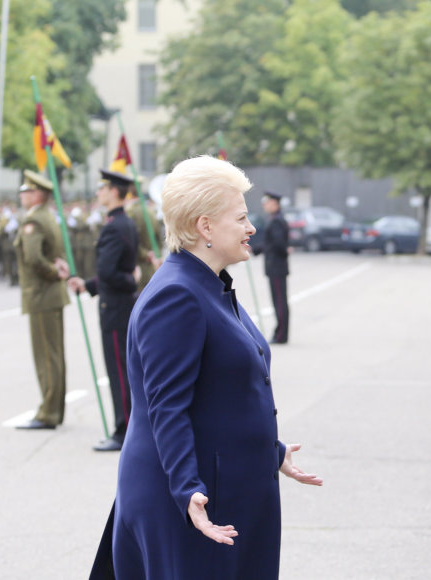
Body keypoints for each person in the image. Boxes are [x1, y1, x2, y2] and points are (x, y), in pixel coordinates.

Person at [107, 156, 322, 578]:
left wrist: (269, 450)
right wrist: (187, 489)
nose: (251, 227)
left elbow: (216, 392)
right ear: (205, 227)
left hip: (223, 487)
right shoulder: (178, 296)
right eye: (240, 217)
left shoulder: (208, 283)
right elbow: (165, 408)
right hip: (190, 499)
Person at [68, 169, 140, 452]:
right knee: (124, 369)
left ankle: (123, 431)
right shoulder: (125, 223)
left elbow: (111, 272)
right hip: (120, 305)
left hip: (115, 308)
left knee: (119, 370)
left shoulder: (114, 226)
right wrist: (86, 285)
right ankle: (128, 428)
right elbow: (116, 271)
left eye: (102, 188)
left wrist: (129, 279)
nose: (98, 193)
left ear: (113, 191)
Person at [14, 170, 70, 430]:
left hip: (41, 294)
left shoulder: (34, 221)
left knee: (47, 357)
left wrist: (52, 271)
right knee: (54, 355)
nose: (22, 196)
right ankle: (54, 409)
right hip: (52, 295)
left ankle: (48, 413)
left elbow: (34, 258)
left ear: (37, 194)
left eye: (26, 191)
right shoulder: (47, 216)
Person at [253, 190, 291, 345]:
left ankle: (281, 335)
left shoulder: (276, 221)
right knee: (279, 300)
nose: (264, 206)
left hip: (276, 266)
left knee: (280, 302)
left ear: (274, 204)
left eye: (267, 203)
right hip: (276, 265)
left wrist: (283, 251)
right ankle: (280, 332)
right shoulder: (276, 219)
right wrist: (255, 249)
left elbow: (278, 244)